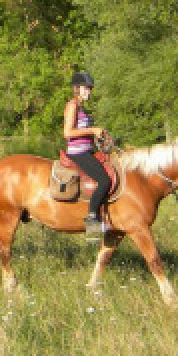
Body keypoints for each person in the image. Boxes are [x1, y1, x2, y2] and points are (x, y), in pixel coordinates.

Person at [63, 70, 112, 239]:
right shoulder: (72, 106)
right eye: (87, 88)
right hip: (78, 152)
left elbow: (83, 132)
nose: (89, 91)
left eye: (90, 88)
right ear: (77, 88)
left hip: (87, 149)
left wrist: (98, 137)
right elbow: (67, 133)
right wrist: (92, 130)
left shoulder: (81, 107)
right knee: (104, 181)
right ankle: (92, 219)